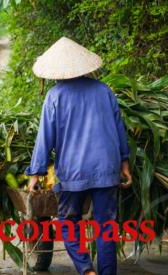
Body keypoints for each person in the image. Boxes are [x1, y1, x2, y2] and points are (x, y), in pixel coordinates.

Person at [25, 37, 132, 275]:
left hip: (73, 172)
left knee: (67, 223)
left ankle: (86, 269)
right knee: (106, 226)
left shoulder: (54, 96)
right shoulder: (104, 91)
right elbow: (118, 129)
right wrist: (124, 163)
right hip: (107, 169)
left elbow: (45, 138)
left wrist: (36, 173)